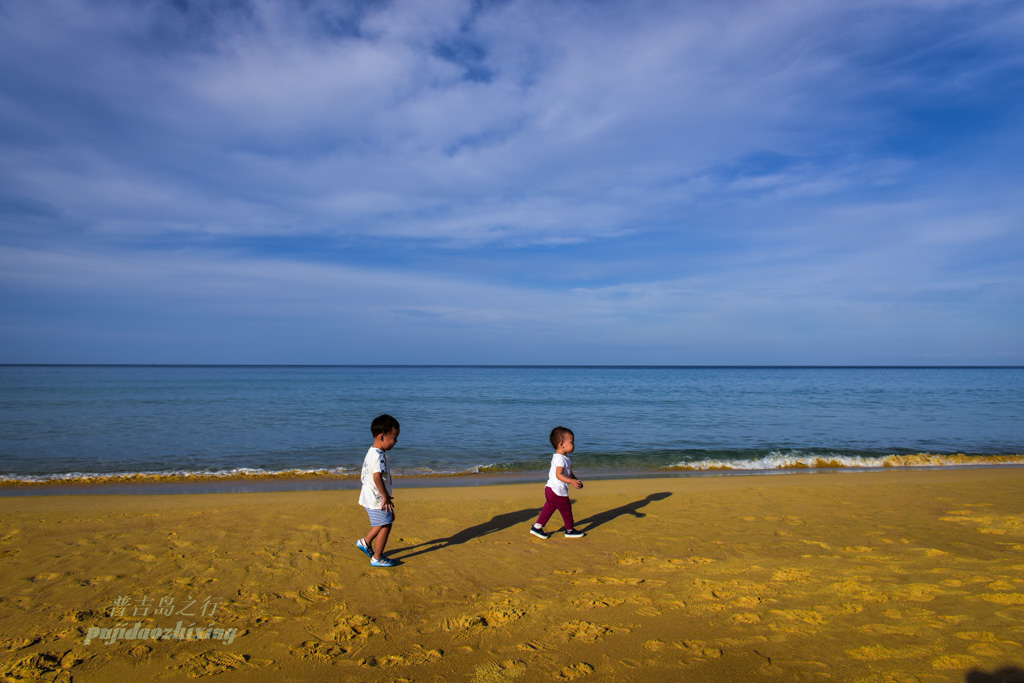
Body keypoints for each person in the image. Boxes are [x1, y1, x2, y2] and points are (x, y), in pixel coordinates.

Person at [355, 414, 400, 567]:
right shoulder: (379, 456)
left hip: (369, 495)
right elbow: (377, 478)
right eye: (394, 438)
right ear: (382, 437)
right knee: (386, 524)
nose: (396, 442)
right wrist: (385, 497)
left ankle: (365, 542)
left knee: (384, 521)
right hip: (376, 497)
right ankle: (377, 557)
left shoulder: (371, 451)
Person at [530, 426, 585, 539]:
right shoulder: (560, 459)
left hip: (551, 489)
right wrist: (571, 481)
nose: (574, 445)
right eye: (571, 442)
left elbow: (568, 473)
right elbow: (558, 475)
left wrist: (575, 480)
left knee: (549, 508)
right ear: (561, 444)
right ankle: (569, 530)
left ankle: (537, 527)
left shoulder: (563, 457)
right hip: (558, 491)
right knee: (566, 511)